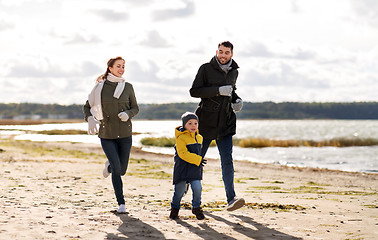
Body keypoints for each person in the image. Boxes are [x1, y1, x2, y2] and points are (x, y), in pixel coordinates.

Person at [189, 41, 245, 211]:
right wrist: (218, 90)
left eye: (226, 52)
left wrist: (236, 99)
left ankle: (231, 199)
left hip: (225, 124)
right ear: (216, 52)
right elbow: (194, 91)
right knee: (196, 161)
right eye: (220, 52)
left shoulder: (234, 71)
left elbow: (231, 91)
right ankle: (189, 193)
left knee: (227, 161)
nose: (223, 55)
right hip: (205, 123)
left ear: (231, 54)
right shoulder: (205, 68)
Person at [83, 56, 139, 213]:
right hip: (107, 134)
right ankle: (121, 204)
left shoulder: (128, 87)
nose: (121, 69)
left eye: (123, 66)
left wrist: (128, 114)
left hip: (125, 134)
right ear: (110, 68)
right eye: (118, 66)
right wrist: (90, 119)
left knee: (121, 170)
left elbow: (136, 108)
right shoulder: (99, 88)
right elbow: (87, 107)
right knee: (116, 168)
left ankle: (109, 166)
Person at [170, 112, 207, 220]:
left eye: (196, 123)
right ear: (184, 125)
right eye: (190, 123)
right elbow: (182, 154)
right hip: (182, 168)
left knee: (197, 188)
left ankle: (196, 207)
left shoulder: (200, 137)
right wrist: (198, 160)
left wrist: (198, 161)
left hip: (195, 168)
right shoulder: (181, 138)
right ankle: (175, 208)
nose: (193, 125)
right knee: (179, 192)